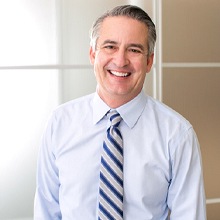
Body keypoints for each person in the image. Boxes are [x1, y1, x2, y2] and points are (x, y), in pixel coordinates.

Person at [34, 5, 206, 220]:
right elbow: (46, 211)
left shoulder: (178, 134)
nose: (120, 60)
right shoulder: (59, 122)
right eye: (110, 46)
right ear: (92, 54)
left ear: (149, 61)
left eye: (134, 49)